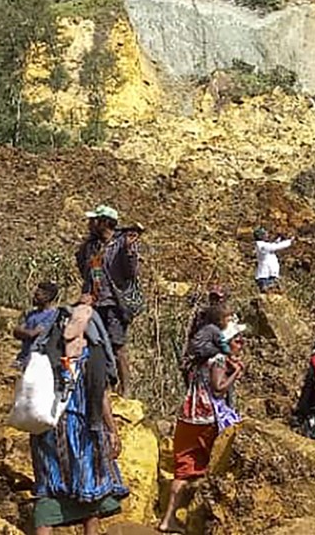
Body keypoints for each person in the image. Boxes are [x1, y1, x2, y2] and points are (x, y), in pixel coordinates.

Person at [29, 300, 128, 534]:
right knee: (89, 496)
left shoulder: (47, 352)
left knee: (48, 490)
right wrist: (112, 430)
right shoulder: (91, 356)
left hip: (47, 431)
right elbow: (101, 395)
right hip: (83, 432)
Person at [159, 307, 246, 533]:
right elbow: (218, 389)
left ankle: (168, 519)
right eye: (237, 340)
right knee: (215, 465)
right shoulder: (217, 360)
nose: (241, 344)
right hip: (208, 419)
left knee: (183, 469)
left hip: (187, 416)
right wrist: (235, 373)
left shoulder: (197, 359)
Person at [75, 204, 141, 397]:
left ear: (104, 222)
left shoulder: (122, 244)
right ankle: (103, 385)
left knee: (117, 345)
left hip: (114, 303)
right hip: (93, 302)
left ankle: (126, 389)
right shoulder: (90, 246)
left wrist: (129, 252)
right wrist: (88, 290)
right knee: (95, 344)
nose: (90, 224)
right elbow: (82, 267)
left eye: (94, 220)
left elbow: (131, 273)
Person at [13, 282, 61, 370]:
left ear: (48, 297)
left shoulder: (53, 315)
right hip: (24, 358)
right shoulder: (31, 314)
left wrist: (24, 332)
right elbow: (16, 332)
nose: (34, 298)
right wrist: (25, 332)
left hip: (37, 360)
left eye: (37, 295)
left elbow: (33, 334)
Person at [254, 227, 293, 293]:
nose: (267, 235)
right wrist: (289, 241)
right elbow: (275, 246)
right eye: (265, 234)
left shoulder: (262, 245)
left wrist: (279, 239)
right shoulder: (262, 246)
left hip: (267, 275)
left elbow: (272, 245)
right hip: (266, 276)